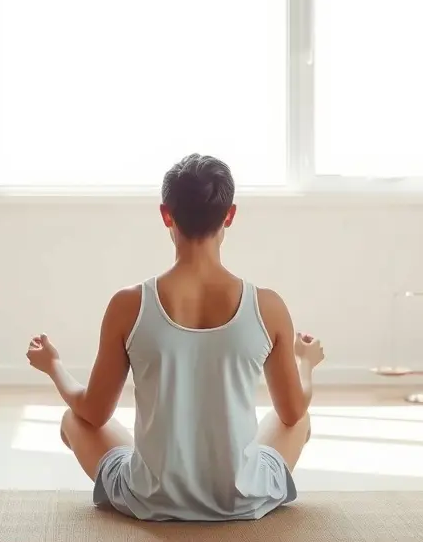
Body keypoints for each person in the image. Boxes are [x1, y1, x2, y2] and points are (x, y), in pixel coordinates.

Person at [25, 153, 324, 522]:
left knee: (73, 420)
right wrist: (306, 363)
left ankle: (164, 474)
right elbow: (293, 412)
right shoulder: (269, 306)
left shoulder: (127, 304)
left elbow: (93, 412)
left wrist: (53, 366)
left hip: (151, 499)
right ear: (230, 214)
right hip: (241, 500)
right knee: (301, 418)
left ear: (166, 214)